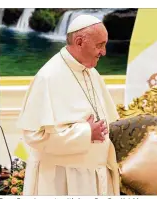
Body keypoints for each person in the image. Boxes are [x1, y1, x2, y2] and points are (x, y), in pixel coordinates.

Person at [17, 15, 120, 196]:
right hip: (62, 179)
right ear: (79, 42)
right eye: (99, 45)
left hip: (95, 174)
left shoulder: (91, 72)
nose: (104, 52)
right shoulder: (48, 77)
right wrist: (86, 132)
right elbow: (33, 135)